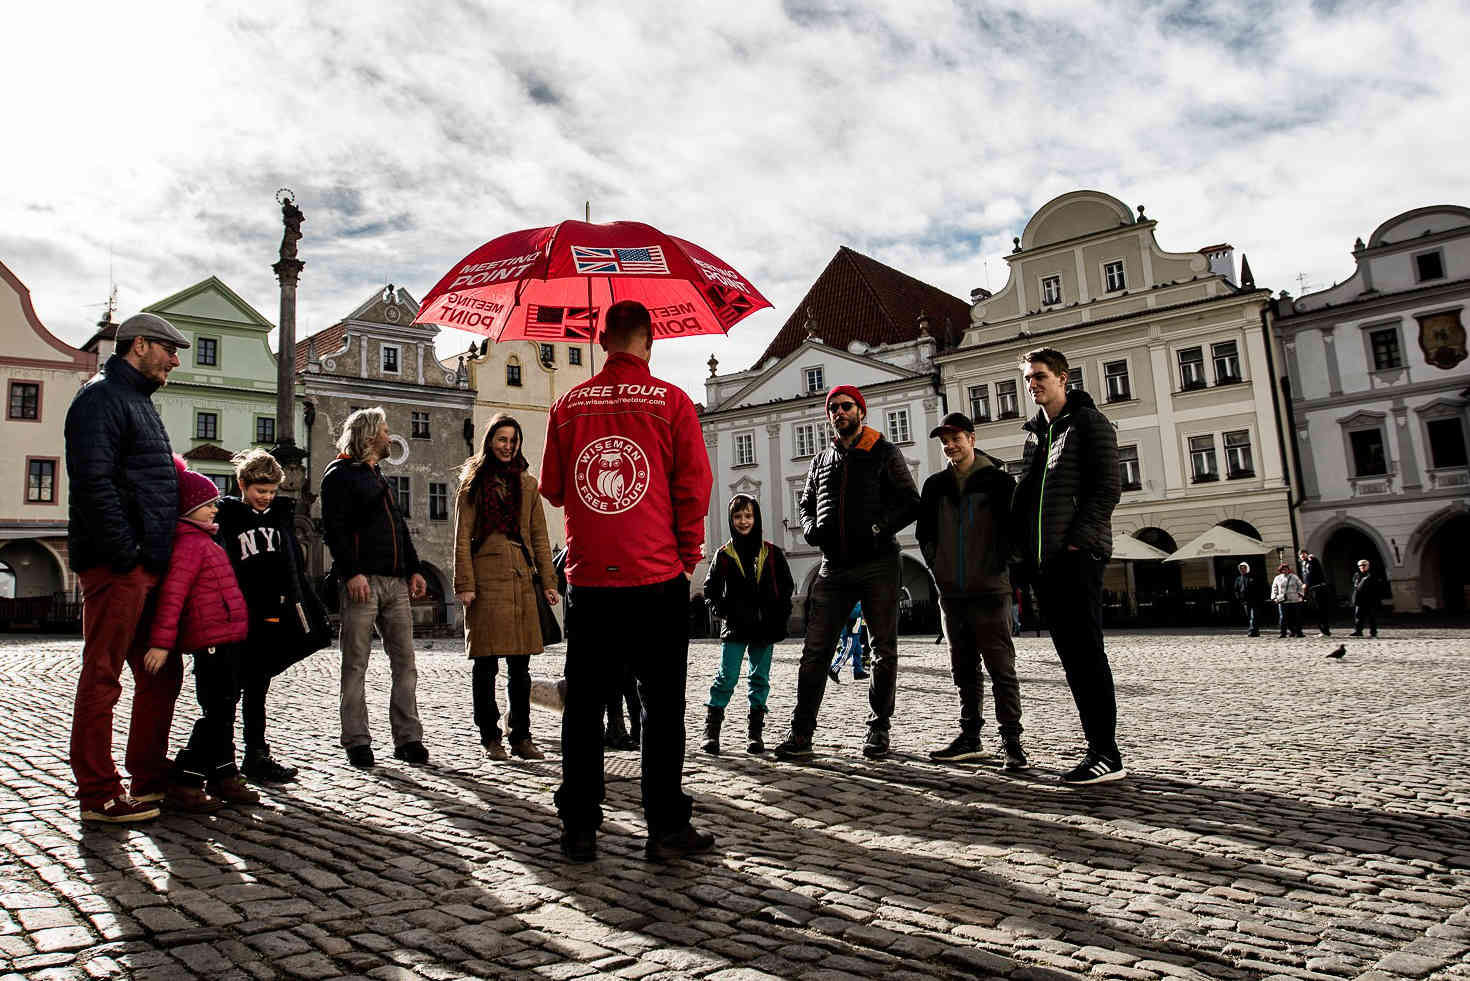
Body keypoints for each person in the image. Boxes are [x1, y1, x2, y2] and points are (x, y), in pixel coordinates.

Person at [540, 299, 714, 863]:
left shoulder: (567, 406)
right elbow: (693, 488)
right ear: (649, 342)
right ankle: (664, 828)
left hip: (590, 578)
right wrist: (686, 557)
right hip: (656, 574)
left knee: (585, 705)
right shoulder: (672, 402)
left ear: (601, 341)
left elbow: (555, 488)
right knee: (661, 706)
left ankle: (580, 827)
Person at [64, 312, 191, 823]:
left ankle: (148, 778)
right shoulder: (100, 397)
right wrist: (128, 553)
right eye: (169, 349)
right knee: (104, 675)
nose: (176, 360)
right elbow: (94, 485)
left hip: (146, 563)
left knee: (161, 673)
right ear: (139, 346)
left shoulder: (136, 400)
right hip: (120, 564)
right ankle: (98, 792)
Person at [774, 383, 920, 761]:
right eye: (833, 408)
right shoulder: (820, 460)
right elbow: (805, 503)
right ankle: (801, 733)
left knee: (883, 651)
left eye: (846, 406)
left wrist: (878, 529)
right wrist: (809, 528)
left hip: (878, 564)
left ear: (861, 411)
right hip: (834, 566)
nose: (839, 412)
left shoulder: (884, 451)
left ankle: (878, 729)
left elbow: (910, 502)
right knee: (814, 651)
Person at [1014, 348, 1124, 785]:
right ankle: (1097, 747)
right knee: (1072, 657)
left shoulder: (1088, 424)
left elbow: (1107, 490)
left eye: (1039, 376)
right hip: (1046, 563)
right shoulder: (1036, 434)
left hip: (1077, 557)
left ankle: (1106, 752)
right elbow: (1029, 502)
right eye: (1027, 378)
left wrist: (1079, 543)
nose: (1032, 384)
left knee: (1086, 654)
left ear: (1063, 377)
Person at [917, 412, 1028, 770]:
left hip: (991, 590)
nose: (950, 446)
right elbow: (925, 536)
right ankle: (970, 737)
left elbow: (1017, 532)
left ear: (972, 438)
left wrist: (1001, 567)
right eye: (945, 441)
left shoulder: (998, 482)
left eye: (956, 439)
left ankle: (1012, 741)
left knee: (1001, 670)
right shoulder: (935, 486)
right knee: (963, 670)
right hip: (952, 594)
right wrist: (939, 570)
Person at [320, 407, 430, 768]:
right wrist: (351, 573)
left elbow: (398, 526)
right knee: (355, 664)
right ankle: (356, 739)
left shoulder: (377, 474)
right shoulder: (339, 475)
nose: (389, 435)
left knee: (405, 663)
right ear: (368, 436)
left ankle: (408, 737)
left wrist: (412, 569)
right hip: (362, 583)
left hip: (395, 583)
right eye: (384, 430)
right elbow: (334, 530)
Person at [216, 448, 328, 785]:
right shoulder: (228, 518)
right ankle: (222, 759)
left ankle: (257, 754)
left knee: (257, 687)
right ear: (242, 484)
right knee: (227, 690)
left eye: (270, 491)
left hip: (271, 614)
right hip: (237, 615)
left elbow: (292, 566)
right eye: (259, 491)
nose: (265, 497)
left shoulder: (280, 518)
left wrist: (302, 605)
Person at [144, 467, 253, 812]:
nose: (215, 508)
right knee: (217, 711)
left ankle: (223, 773)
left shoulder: (205, 540)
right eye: (207, 503)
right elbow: (172, 597)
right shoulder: (190, 544)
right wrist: (161, 643)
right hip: (211, 642)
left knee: (224, 710)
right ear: (188, 506)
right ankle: (186, 778)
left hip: (226, 637)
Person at [454, 414, 557, 762]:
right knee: (485, 666)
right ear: (489, 441)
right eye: (502, 439)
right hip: (485, 581)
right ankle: (489, 735)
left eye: (513, 440)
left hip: (521, 581)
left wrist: (548, 581)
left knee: (520, 668)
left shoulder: (528, 485)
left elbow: (540, 538)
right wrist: (465, 585)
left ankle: (522, 736)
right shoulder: (472, 484)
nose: (508, 446)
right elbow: (461, 539)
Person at [701, 494, 794, 756]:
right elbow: (710, 590)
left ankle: (755, 734)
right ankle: (712, 731)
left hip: (764, 628)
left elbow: (786, 588)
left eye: (748, 515)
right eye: (738, 516)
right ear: (731, 520)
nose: (743, 521)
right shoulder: (723, 555)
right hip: (735, 628)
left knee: (759, 679)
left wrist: (780, 618)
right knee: (726, 678)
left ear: (756, 518)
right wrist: (721, 610)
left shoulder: (772, 553)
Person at [828, 602, 871, 682]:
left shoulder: (860, 601)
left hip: (855, 630)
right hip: (849, 631)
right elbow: (850, 612)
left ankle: (858, 671)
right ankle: (834, 669)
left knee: (858, 651)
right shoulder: (852, 600)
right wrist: (861, 611)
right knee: (847, 651)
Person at [1299, 549, 1333, 637]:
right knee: (1317, 610)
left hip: (1319, 588)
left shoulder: (1312, 561)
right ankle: (1323, 630)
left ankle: (1325, 631)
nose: (1303, 556)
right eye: (1301, 555)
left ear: (1307, 554)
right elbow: (1306, 577)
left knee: (1321, 610)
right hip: (1312, 589)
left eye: (1304, 554)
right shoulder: (1303, 564)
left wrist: (1313, 559)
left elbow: (1313, 570)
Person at [1350, 559, 1385, 638]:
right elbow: (1355, 586)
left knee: (1371, 616)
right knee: (1358, 616)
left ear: (1368, 566)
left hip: (1370, 599)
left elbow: (1377, 587)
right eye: (1360, 566)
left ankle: (1373, 632)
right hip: (1359, 598)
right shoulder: (1356, 574)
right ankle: (1358, 631)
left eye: (1363, 565)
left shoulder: (1372, 574)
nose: (1361, 567)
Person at [1271, 563, 1307, 637]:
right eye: (1283, 569)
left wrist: (1300, 594)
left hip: (1295, 600)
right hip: (1283, 600)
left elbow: (1300, 586)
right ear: (1280, 570)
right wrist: (1274, 597)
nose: (1285, 571)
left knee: (1296, 617)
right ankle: (1283, 633)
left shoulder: (1294, 577)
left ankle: (1298, 632)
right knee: (1283, 617)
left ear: (1288, 569)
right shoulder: (1277, 578)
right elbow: (1274, 588)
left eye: (1286, 569)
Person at [1233, 561, 1265, 638]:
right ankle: (1255, 631)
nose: (1242, 570)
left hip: (1254, 600)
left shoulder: (1253, 577)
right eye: (1241, 568)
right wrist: (1239, 598)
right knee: (1249, 616)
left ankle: (1252, 631)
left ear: (1247, 568)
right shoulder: (1238, 579)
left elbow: (1259, 588)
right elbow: (1236, 589)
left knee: (1253, 616)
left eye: (1244, 568)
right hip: (1245, 601)